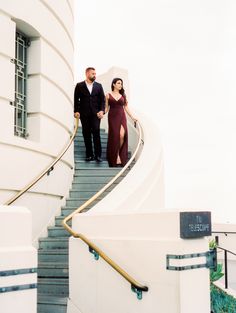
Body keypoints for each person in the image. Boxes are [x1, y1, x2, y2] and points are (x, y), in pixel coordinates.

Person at [74, 67, 105, 162]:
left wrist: (102, 111)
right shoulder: (79, 85)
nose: (95, 75)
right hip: (84, 113)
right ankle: (89, 154)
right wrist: (76, 111)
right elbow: (76, 100)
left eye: (95, 73)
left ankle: (98, 155)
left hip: (96, 114)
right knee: (86, 133)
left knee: (96, 131)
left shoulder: (99, 86)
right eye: (93, 73)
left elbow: (102, 100)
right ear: (87, 74)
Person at [105, 78, 137, 167]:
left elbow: (126, 107)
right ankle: (115, 156)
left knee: (121, 135)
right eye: (118, 83)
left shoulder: (123, 95)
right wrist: (102, 113)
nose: (120, 85)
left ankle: (118, 153)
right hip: (112, 117)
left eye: (121, 83)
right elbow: (106, 108)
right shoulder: (108, 95)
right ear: (114, 84)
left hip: (121, 116)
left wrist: (132, 117)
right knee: (114, 136)